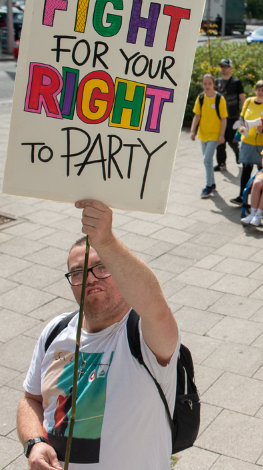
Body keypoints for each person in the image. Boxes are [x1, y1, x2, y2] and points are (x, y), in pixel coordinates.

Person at [18, 200, 180, 469]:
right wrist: (34, 443)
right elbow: (30, 399)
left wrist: (106, 241)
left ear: (120, 271)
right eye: (78, 273)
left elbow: (156, 306)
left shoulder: (143, 333)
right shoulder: (56, 330)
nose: (90, 279)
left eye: (102, 267)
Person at [231, 80, 263, 206]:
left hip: (262, 146)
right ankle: (242, 196)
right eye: (258, 89)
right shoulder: (249, 101)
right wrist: (241, 127)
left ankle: (261, 198)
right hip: (246, 142)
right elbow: (242, 117)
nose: (260, 92)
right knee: (246, 169)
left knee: (261, 171)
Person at [190, 74, 227, 198]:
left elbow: (223, 118)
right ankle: (212, 184)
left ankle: (208, 186)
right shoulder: (200, 98)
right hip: (203, 133)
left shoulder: (219, 99)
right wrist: (192, 131)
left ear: (213, 84)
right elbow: (197, 116)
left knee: (206, 159)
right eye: (205, 84)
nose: (207, 86)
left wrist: (222, 135)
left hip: (214, 135)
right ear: (202, 84)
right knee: (208, 161)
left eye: (209, 83)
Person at [214, 58, 245, 172]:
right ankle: (221, 163)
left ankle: (238, 153)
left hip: (232, 116)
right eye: (221, 66)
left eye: (225, 66)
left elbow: (242, 97)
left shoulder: (236, 82)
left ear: (230, 68)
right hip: (220, 117)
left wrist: (243, 114)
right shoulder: (217, 82)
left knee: (232, 140)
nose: (223, 68)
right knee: (220, 141)